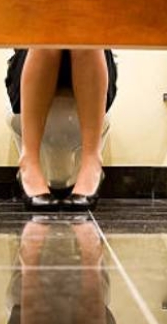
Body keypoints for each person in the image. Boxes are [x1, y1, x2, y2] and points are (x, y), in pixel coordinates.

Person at [6, 49, 117, 210]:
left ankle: (92, 162)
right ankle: (28, 162)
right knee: (49, 36)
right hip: (32, 59)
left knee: (86, 35)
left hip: (94, 61)